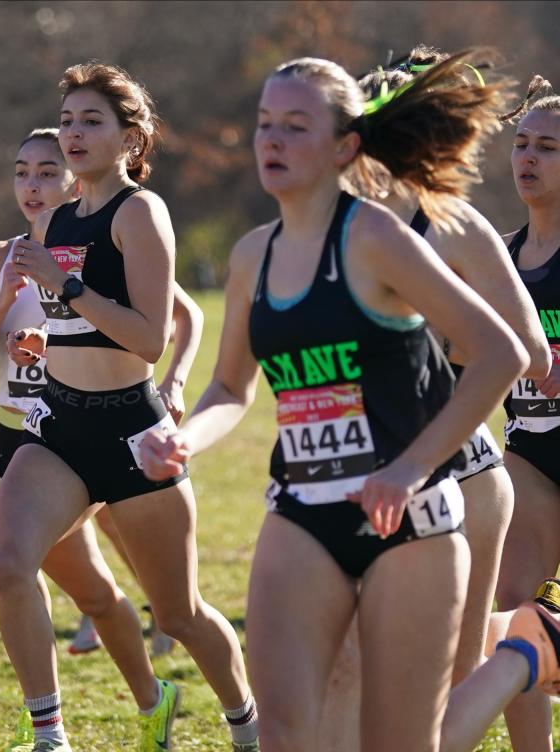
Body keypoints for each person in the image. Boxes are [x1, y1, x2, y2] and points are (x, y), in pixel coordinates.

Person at [140, 52, 560, 751]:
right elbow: (229, 388)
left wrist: (410, 450)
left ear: (346, 144)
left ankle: (523, 655)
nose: (272, 140)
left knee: (409, 733)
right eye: (264, 124)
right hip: (305, 504)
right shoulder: (252, 255)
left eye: (295, 126)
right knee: (294, 726)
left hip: (427, 497)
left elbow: (510, 352)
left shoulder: (396, 235)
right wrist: (185, 438)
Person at [0, 63, 257, 752]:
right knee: (12, 563)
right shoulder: (52, 217)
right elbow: (72, 318)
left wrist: (66, 288)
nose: (74, 135)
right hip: (58, 423)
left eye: (92, 122)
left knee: (181, 612)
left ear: (131, 138)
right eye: (69, 120)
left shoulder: (141, 212)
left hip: (131, 433)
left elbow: (145, 337)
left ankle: (248, 726)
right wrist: (39, 338)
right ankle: (50, 735)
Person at [317, 48, 552, 752]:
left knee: (439, 682)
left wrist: (428, 345)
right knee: (343, 666)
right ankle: (524, 656)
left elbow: (530, 355)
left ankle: (525, 657)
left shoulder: (453, 225)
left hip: (460, 477)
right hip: (356, 473)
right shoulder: (329, 226)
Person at [0, 126, 198, 749]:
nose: (32, 186)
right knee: (91, 592)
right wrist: (3, 297)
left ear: (75, 180)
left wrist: (175, 380)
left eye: (47, 172)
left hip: (94, 427)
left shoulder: (95, 242)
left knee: (36, 572)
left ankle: (52, 730)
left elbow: (177, 315)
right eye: (21, 172)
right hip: (22, 443)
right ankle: (147, 700)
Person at [494, 74, 560, 752]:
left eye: (547, 146)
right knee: (515, 610)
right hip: (530, 452)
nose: (529, 158)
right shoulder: (503, 258)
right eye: (521, 143)